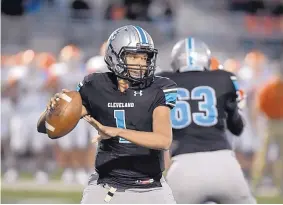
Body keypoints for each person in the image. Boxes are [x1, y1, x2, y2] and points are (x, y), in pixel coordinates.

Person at [37, 25, 177, 204]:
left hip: (151, 187)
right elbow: (49, 129)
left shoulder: (159, 87)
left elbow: (163, 140)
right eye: (133, 56)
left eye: (145, 57)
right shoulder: (96, 85)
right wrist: (52, 111)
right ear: (114, 55)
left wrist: (117, 131)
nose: (140, 63)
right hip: (106, 187)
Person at [159, 37, 256, 204]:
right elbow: (237, 128)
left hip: (183, 167)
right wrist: (232, 110)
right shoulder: (224, 78)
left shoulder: (162, 81)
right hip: (224, 164)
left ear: (175, 61)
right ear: (205, 59)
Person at [252, 60, 283, 194]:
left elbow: (258, 106)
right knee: (274, 155)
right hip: (275, 122)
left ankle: (256, 183)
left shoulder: (268, 86)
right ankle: (277, 184)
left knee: (264, 154)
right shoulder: (268, 87)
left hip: (270, 123)